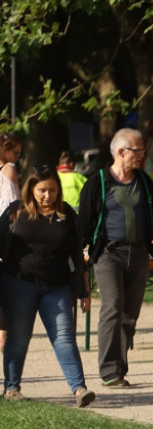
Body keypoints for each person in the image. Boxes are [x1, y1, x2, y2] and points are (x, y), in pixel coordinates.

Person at [79, 128, 153, 387]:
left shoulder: (143, 180)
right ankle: (108, 370)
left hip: (139, 252)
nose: (142, 155)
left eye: (142, 150)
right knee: (113, 305)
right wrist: (82, 249)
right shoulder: (98, 181)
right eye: (138, 150)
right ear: (121, 152)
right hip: (108, 253)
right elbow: (85, 219)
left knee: (130, 313)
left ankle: (119, 368)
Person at [0, 166, 93, 407]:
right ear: (31, 189)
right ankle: (11, 388)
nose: (47, 195)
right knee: (18, 337)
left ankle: (79, 389)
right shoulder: (15, 212)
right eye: (42, 190)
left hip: (57, 286)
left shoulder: (68, 216)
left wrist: (83, 291)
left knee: (64, 337)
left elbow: (76, 255)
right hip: (19, 285)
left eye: (52, 190)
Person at [0, 132, 23, 353]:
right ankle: (3, 337)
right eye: (14, 152)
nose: (16, 158)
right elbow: (13, 206)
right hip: (4, 233)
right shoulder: (8, 170)